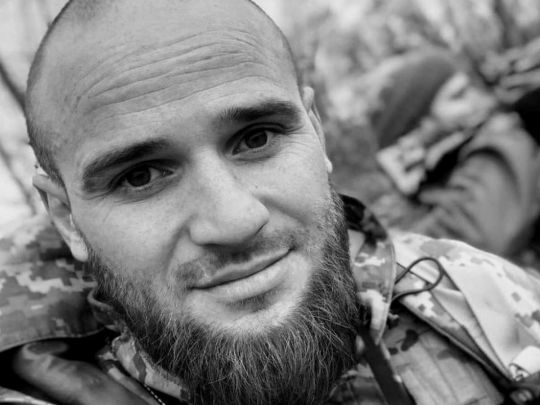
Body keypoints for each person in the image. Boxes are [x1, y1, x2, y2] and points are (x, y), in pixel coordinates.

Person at [1, 1, 540, 404]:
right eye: (139, 176)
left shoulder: (472, 296)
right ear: (67, 219)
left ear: (317, 136)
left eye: (256, 138)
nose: (235, 220)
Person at [370, 50, 540, 258]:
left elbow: (474, 239)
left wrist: (383, 257)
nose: (477, 99)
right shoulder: (440, 170)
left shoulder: (498, 142)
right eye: (458, 96)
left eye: (469, 89)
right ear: (420, 123)